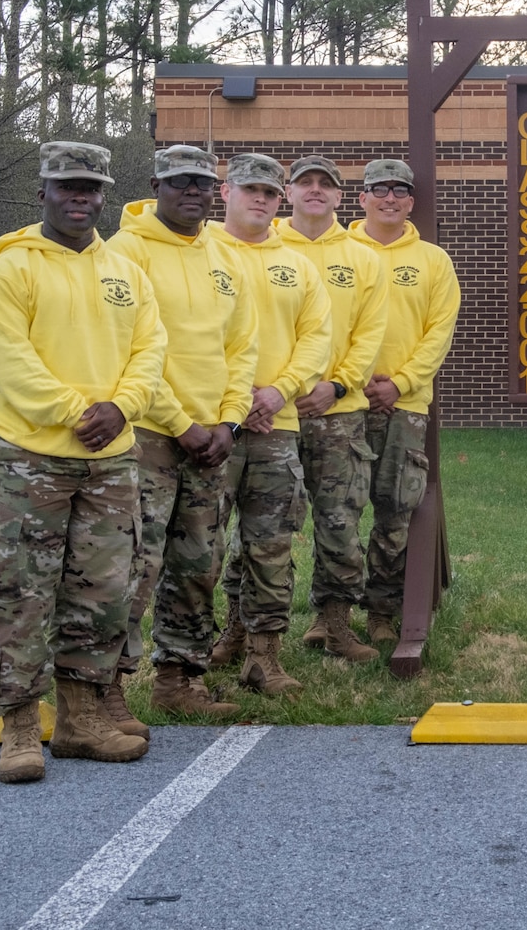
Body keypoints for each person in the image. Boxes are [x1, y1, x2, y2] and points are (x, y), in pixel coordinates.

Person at [0, 141, 163, 782]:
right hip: (30, 457)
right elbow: (7, 359)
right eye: (67, 186)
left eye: (91, 188)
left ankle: (81, 719)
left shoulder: (125, 271)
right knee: (19, 591)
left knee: (102, 591)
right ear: (44, 191)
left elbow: (150, 347)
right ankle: (20, 726)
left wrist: (123, 405)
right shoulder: (9, 270)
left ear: (104, 194)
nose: (81, 197)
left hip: (110, 458)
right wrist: (80, 411)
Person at [107, 144, 255, 721]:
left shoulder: (223, 252)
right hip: (148, 432)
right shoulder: (125, 252)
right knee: (133, 566)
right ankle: (109, 689)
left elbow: (242, 346)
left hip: (213, 436)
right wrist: (181, 422)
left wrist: (228, 419)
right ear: (155, 185)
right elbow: (131, 349)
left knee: (199, 564)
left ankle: (179, 680)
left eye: (201, 182)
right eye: (179, 182)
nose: (191, 192)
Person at [207, 153, 332, 694]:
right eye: (249, 189)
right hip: (211, 426)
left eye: (269, 192)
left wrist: (280, 390)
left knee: (271, 544)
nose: (260, 199)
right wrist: (233, 400)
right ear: (225, 193)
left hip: (277, 424)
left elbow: (316, 338)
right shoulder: (201, 251)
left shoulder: (299, 264)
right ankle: (191, 657)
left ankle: (265, 654)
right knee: (200, 545)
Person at [270, 155, 387, 664]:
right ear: (286, 193)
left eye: (326, 184)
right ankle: (247, 632)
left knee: (339, 521)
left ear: (341, 197)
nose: (315, 190)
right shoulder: (260, 247)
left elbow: (369, 336)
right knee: (265, 525)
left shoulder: (363, 257)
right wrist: (276, 390)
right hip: (271, 411)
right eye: (304, 183)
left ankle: (334, 624)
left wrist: (337, 386)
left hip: (339, 413)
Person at [347, 159, 461, 643]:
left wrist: (400, 383)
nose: (389, 198)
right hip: (342, 403)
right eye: (379, 189)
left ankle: (380, 612)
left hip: (407, 404)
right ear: (362, 198)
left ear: (411, 201)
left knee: (394, 510)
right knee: (338, 512)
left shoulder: (434, 261)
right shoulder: (337, 252)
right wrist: (348, 381)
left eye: (399, 190)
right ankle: (330, 615)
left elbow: (439, 333)